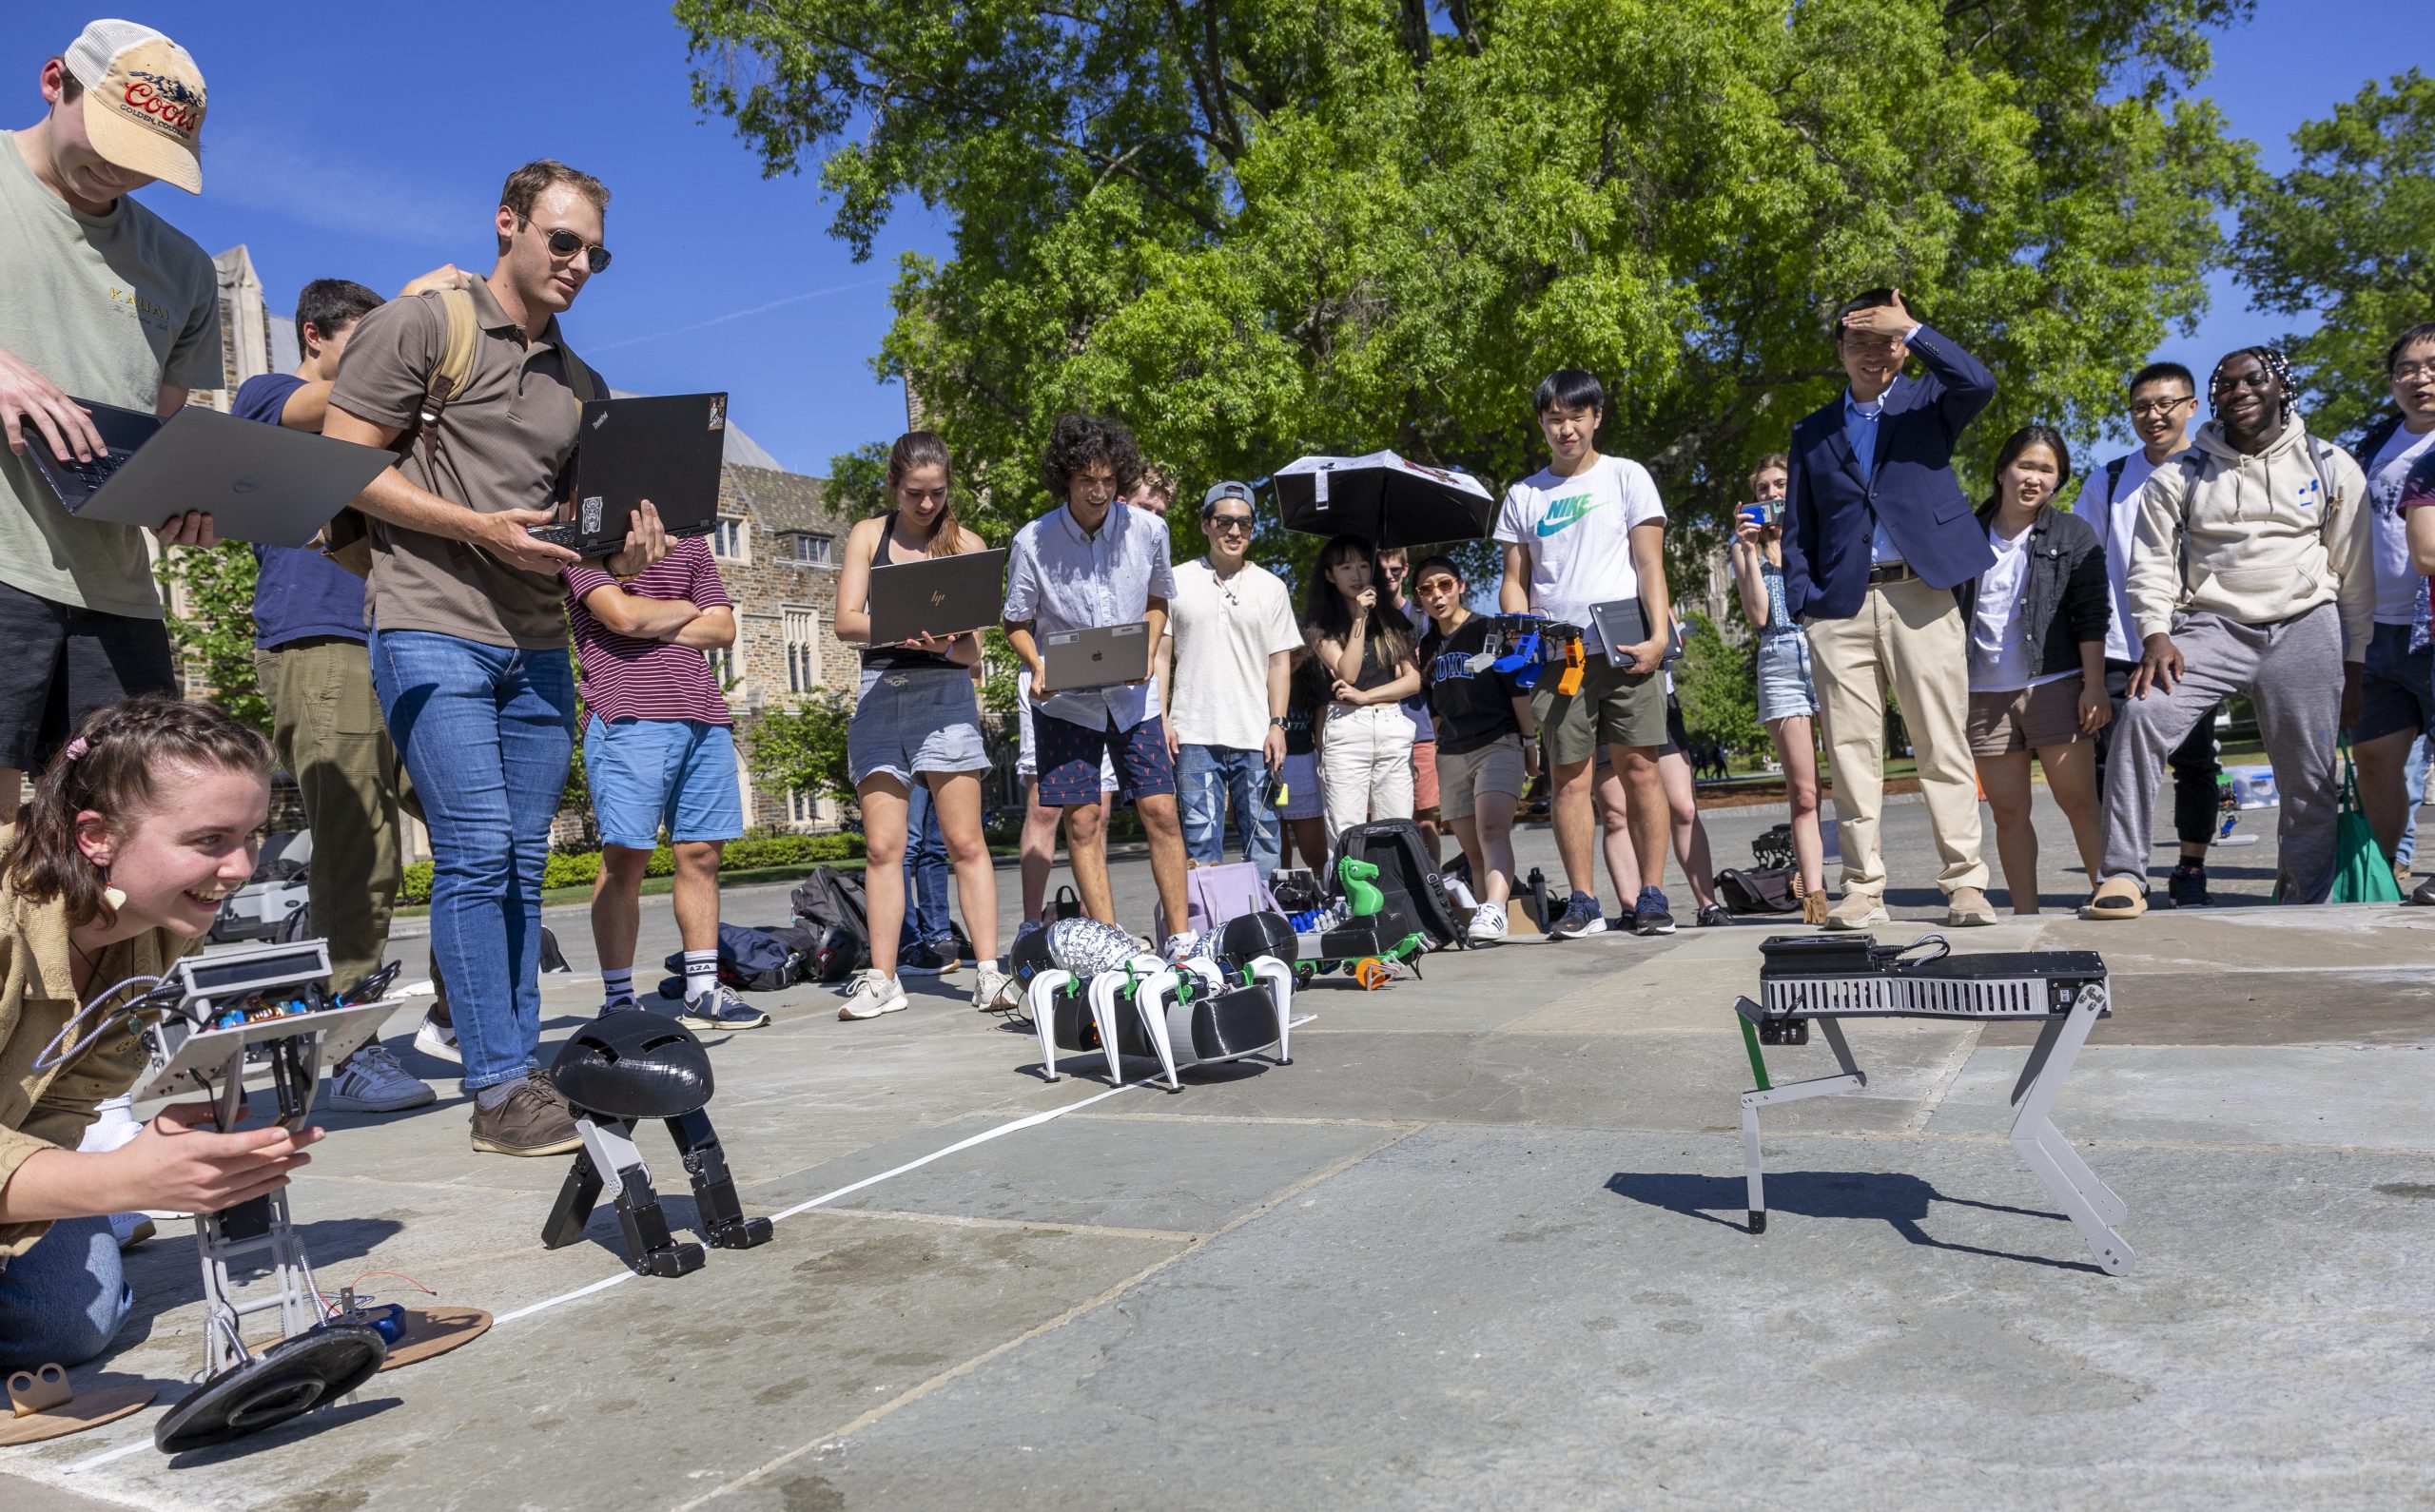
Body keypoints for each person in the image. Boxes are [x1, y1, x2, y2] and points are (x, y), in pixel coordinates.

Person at [321, 161, 669, 1156]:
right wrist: (477, 527)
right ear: (508, 226)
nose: (579, 264)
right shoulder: (428, 325)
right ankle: (501, 1088)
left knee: (520, 861)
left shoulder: (582, 384)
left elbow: (577, 528)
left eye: (596, 253)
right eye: (562, 242)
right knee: (473, 852)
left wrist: (624, 549)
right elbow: (346, 460)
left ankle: (516, 1066)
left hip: (536, 642)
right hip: (429, 617)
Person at [0, 697, 322, 1370]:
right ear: (97, 837)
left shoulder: (155, 930)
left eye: (251, 834)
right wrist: (121, 1181)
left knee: (67, 1328)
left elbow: (61, 1108)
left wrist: (145, 1161)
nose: (242, 867)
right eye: (210, 841)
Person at [236, 275, 472, 1114]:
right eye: (366, 344)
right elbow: (344, 400)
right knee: (357, 847)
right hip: (322, 638)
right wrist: (417, 309)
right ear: (314, 336)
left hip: (409, 630)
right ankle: (349, 1045)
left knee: (478, 828)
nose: (385, 364)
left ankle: (461, 1013)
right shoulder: (268, 394)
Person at [0, 22, 223, 818]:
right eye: (109, 139)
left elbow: (157, 440)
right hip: (3, 566)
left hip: (116, 592)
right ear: (54, 80)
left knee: (119, 839)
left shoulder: (184, 269)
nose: (120, 170)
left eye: (146, 161)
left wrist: (179, 503)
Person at [2087, 347, 2371, 918]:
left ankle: (2306, 898)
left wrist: (2355, 663)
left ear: (2281, 389)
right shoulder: (2180, 474)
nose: (2239, 390)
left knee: (2310, 773)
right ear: (2212, 399)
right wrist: (2154, 634)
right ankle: (2122, 876)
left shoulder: (2331, 464)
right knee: (2141, 716)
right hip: (2211, 626)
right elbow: (2150, 566)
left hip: (2305, 623)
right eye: (2226, 384)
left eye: (2253, 380)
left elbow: (2353, 570)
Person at [1781, 287, 1999, 929]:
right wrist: (1806, 608)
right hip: (1841, 606)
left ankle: (1964, 884)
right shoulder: (1813, 431)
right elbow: (1800, 527)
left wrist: (1914, 325)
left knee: (1942, 743)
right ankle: (1862, 888)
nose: (1873, 354)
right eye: (1860, 341)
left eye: (1886, 340)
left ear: (1903, 348)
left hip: (1922, 595)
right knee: (1851, 753)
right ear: (1840, 351)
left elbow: (1978, 381)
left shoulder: (1930, 403)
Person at [1496, 369, 1679, 939]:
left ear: (1596, 417)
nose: (1566, 428)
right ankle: (1583, 902)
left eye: (1577, 416)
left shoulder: (1627, 477)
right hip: (1560, 655)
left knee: (1642, 772)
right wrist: (1520, 632)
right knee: (1569, 779)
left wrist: (1657, 637)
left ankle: (1652, 897)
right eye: (1554, 418)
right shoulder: (1524, 494)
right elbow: (1514, 580)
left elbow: (1650, 563)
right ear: (1543, 424)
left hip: (1626, 646)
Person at [1003, 415, 1194, 956]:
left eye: (1109, 480)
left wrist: (1148, 651)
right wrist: (1037, 664)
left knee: (1161, 810)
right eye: (1088, 480)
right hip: (1065, 704)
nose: (1099, 491)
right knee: (1083, 820)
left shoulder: (1149, 530)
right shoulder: (1032, 541)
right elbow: (1016, 621)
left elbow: (1158, 600)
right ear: (1065, 476)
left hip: (1135, 698)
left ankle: (1180, 940)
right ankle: (1113, 948)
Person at [833, 431, 1006, 1018]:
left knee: (963, 841)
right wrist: (897, 625)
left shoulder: (965, 544)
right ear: (894, 487)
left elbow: (974, 653)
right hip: (881, 695)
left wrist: (938, 646)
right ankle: (883, 978)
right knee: (884, 848)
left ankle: (989, 973)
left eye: (936, 494)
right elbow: (844, 622)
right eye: (914, 494)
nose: (927, 505)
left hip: (944, 697)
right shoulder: (867, 535)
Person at [568, 533, 768, 1031]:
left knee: (702, 855)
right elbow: (623, 617)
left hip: (705, 715)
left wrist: (651, 614)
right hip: (628, 714)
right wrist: (684, 608)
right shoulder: (584, 540)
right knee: (625, 859)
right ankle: (618, 999)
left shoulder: (693, 543)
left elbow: (723, 628)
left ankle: (702, 991)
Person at [2086, 362, 2222, 907]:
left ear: (2192, 407)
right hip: (2126, 642)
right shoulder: (2111, 479)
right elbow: (2087, 565)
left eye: (2166, 404)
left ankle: (2191, 868)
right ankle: (2119, 872)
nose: (2153, 415)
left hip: (2200, 641)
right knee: (2113, 762)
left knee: (2194, 762)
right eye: (2142, 406)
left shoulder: (2215, 471)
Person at [1960, 427, 2111, 913]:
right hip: (1983, 693)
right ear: (2002, 471)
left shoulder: (2071, 534)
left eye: (2047, 471)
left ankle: (2109, 894)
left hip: (2054, 684)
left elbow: (2091, 614)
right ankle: (2025, 914)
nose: (2034, 478)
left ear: (2057, 482)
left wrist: (2093, 685)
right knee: (2008, 813)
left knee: (2079, 803)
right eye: (2026, 465)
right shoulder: (1963, 533)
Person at [1163, 481, 1299, 876]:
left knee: (1266, 840)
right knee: (1199, 842)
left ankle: (1262, 931)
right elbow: (1159, 655)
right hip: (1193, 734)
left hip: (1256, 736)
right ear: (1205, 525)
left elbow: (1279, 663)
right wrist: (1163, 717)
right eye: (1224, 521)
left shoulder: (1271, 587)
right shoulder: (1176, 581)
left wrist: (1278, 724)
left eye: (1245, 523)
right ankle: (1209, 932)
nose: (1235, 531)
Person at [2345, 324, 2435, 892]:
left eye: (2431, 366)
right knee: (2375, 756)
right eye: (2407, 368)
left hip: (2433, 624)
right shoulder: (2369, 447)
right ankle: (2389, 870)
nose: (2420, 378)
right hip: (2375, 628)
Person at [1411, 554, 1533, 943]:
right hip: (1451, 754)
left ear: (1461, 586)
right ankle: (1487, 919)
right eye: (1427, 589)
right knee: (1473, 849)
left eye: (1445, 584)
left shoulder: (1488, 629)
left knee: (1493, 829)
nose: (1437, 595)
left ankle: (1496, 908)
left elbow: (1517, 688)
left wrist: (1530, 742)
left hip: (1498, 742)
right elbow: (1434, 709)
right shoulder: (1426, 646)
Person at [1729, 453, 1828, 921]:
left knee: (1852, 781)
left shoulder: (1818, 533)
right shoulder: (1743, 548)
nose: (1772, 494)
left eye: (1781, 484)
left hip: (1829, 651)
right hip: (1780, 658)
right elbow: (1759, 616)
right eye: (1764, 487)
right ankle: (1814, 896)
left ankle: (1866, 884)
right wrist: (1749, 551)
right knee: (1805, 793)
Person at [1304, 535, 1420, 843]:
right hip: (1345, 727)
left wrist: (1368, 697)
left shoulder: (1393, 620)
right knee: (1347, 831)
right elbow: (1348, 672)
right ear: (1330, 575)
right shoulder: (1320, 627)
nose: (1356, 575)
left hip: (1390, 722)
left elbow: (1413, 680)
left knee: (1397, 828)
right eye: (1345, 567)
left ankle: (1394, 891)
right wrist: (1359, 617)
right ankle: (1350, 892)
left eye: (1363, 565)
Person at [1376, 547, 1442, 863]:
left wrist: (1421, 666)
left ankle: (1434, 885)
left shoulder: (1423, 617)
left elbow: (1435, 676)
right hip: (1375, 730)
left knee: (1424, 819)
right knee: (1378, 821)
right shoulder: (1364, 615)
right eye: (1381, 570)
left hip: (1417, 731)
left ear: (1405, 570)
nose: (1389, 576)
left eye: (1395, 570)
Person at [1275, 648, 1332, 872]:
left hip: (1302, 768)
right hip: (1264, 767)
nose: (1292, 659)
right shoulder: (1257, 678)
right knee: (1275, 854)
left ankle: (1322, 897)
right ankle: (1277, 901)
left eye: (1298, 652)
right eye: (1287, 651)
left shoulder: (1315, 679)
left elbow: (1321, 739)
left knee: (1316, 853)